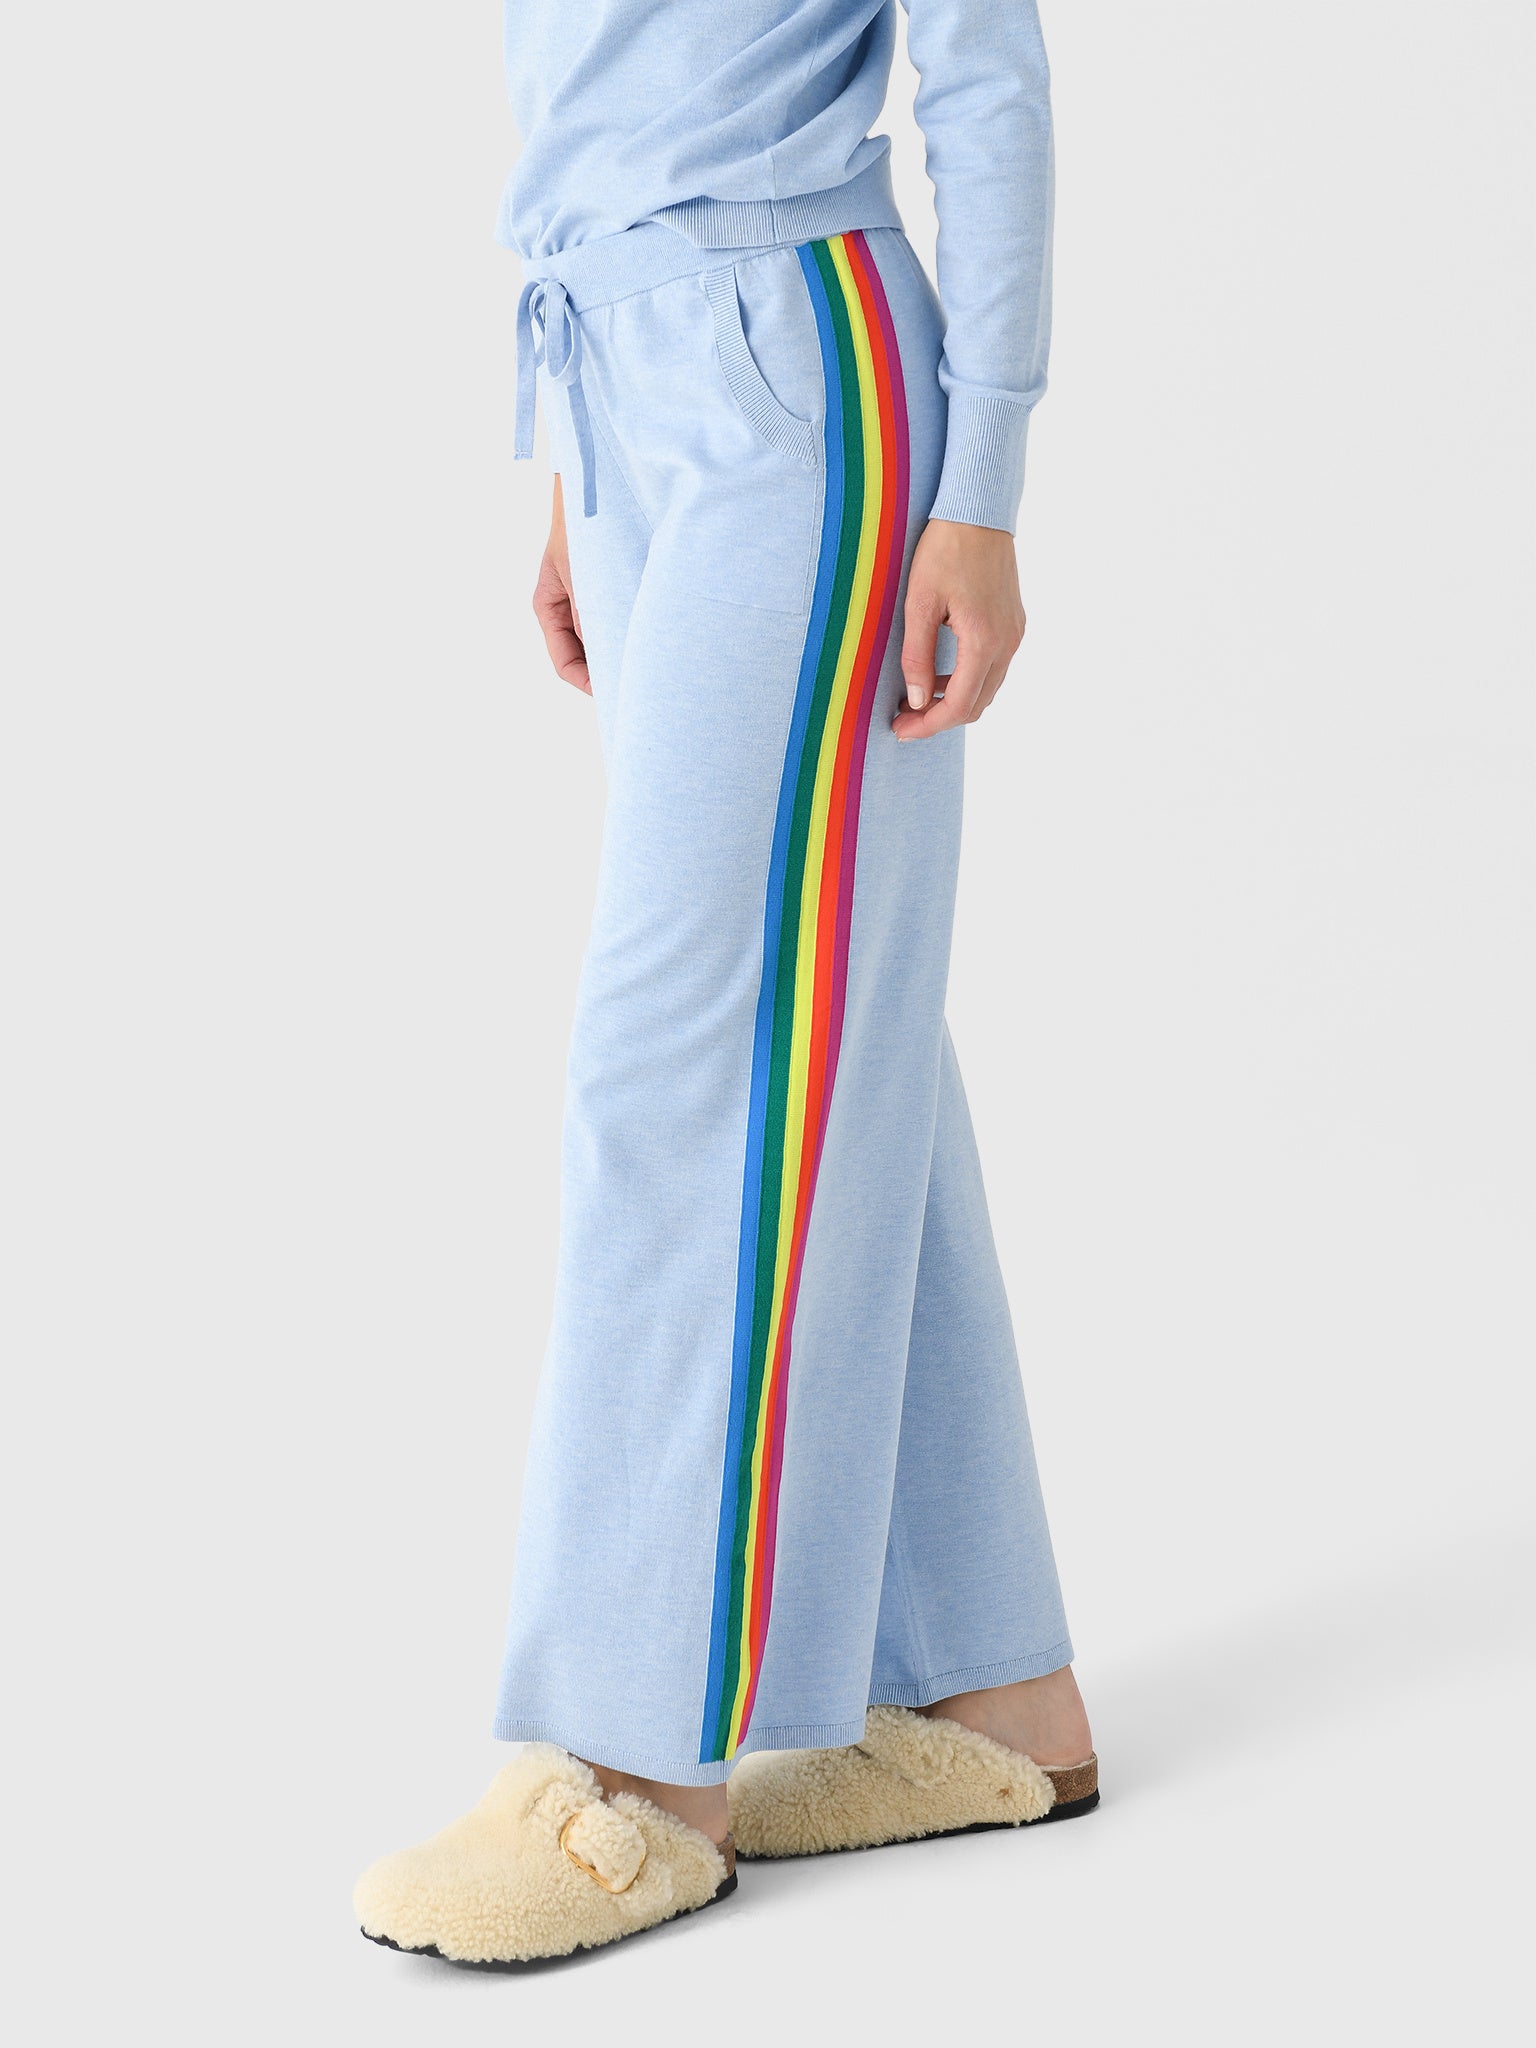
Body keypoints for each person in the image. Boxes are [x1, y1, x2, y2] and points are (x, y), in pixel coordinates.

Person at [356, 0, 1095, 1966]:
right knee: (829, 1016)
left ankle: (636, 1767)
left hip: (801, 367)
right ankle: (988, 1688)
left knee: (688, 1056)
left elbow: (989, 79)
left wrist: (983, 483)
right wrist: (575, 467)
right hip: (619, 383)